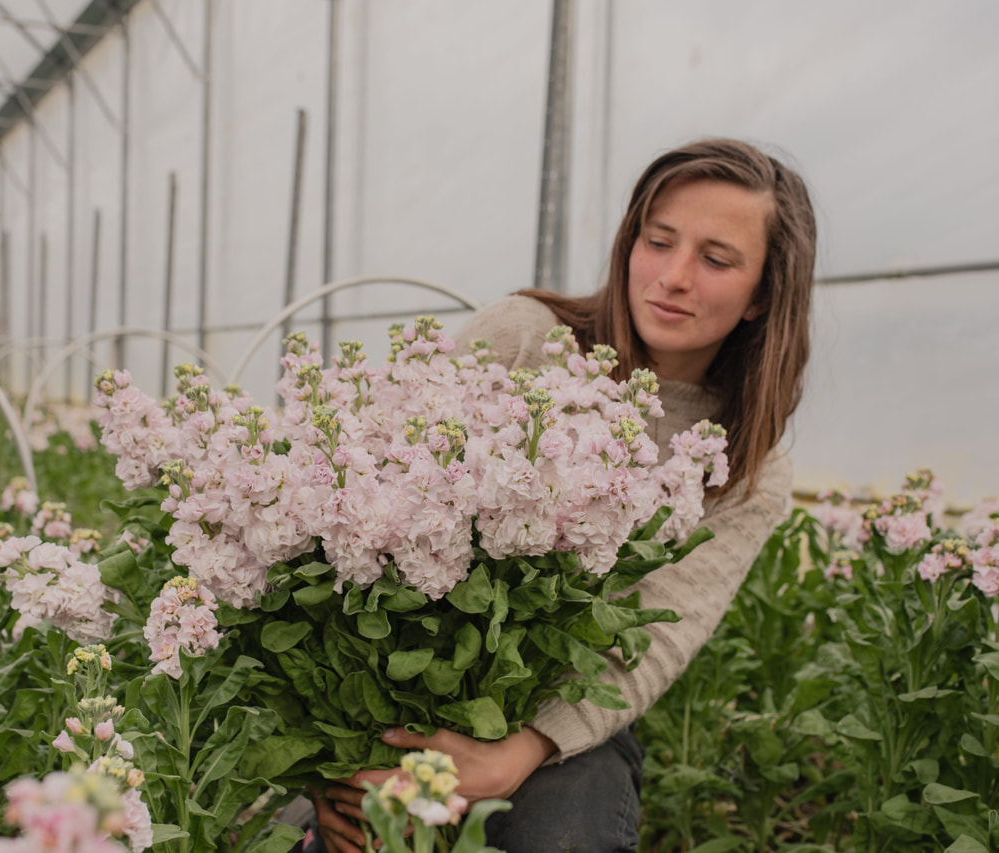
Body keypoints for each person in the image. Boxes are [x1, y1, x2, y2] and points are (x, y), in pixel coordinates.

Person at [307, 137, 817, 852]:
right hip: (383, 680)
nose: (672, 276)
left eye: (715, 258)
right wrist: (329, 768)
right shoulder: (526, 336)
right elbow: (363, 502)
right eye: (658, 240)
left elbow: (653, 636)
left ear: (764, 292)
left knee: (567, 833)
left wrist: (514, 754)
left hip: (558, 719)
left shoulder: (747, 465)